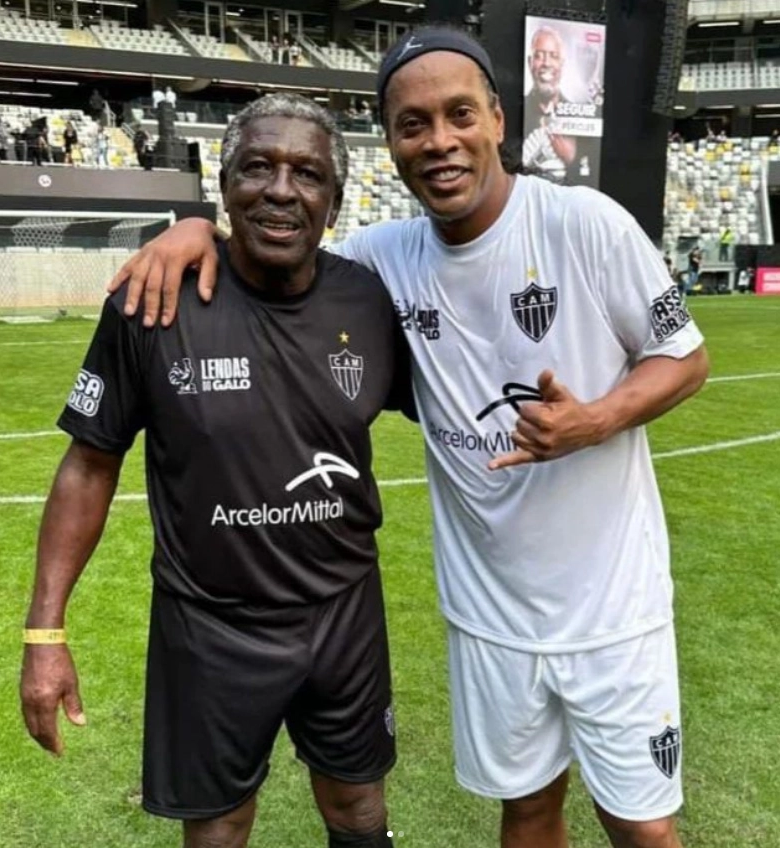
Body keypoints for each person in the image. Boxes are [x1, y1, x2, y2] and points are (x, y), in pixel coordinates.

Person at [108, 26, 709, 848]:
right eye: (411, 124)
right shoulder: (379, 262)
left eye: (459, 114)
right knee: (528, 811)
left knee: (641, 827)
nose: (439, 141)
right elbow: (279, 233)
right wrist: (195, 229)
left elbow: (685, 356)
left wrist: (593, 420)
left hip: (613, 611)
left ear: (499, 118)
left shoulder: (586, 224)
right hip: (488, 616)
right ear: (389, 143)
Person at [20, 94, 414, 848]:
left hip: (344, 613)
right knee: (219, 830)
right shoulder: (152, 302)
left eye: (306, 173)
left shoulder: (365, 300)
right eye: (256, 167)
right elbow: (90, 463)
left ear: (332, 201)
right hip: (209, 627)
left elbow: (456, 408)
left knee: (358, 808)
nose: (279, 189)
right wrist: (45, 634)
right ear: (224, 184)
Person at [521, 24, 599, 186]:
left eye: (553, 56)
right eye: (539, 56)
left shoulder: (581, 116)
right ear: (530, 63)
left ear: (562, 64)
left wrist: (571, 159)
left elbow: (589, 181)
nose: (546, 63)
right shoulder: (515, 111)